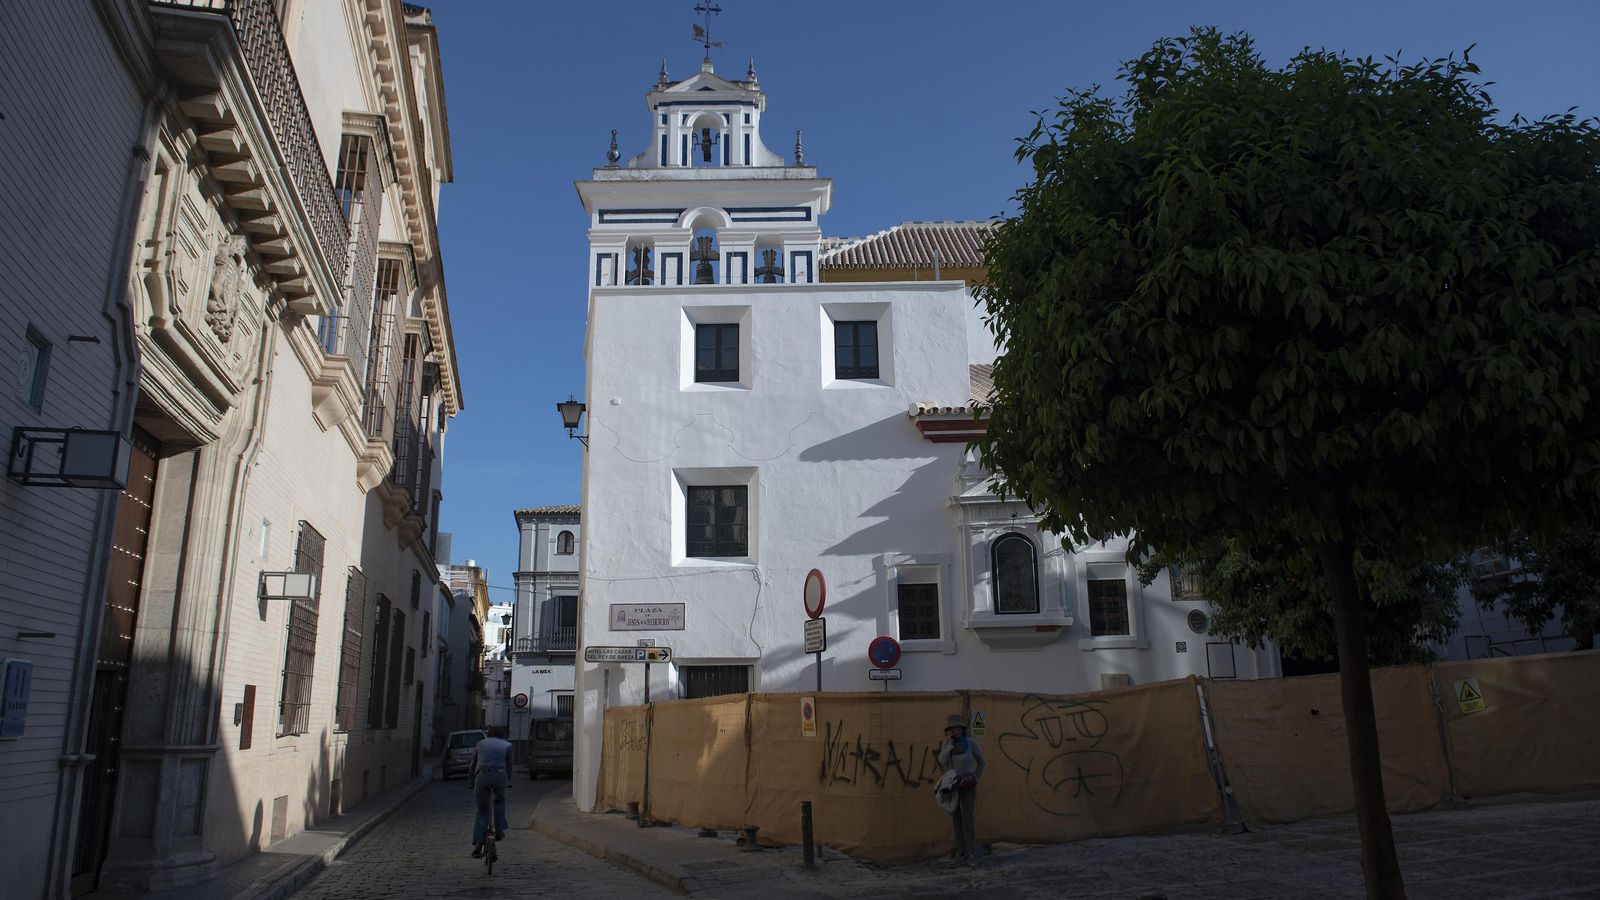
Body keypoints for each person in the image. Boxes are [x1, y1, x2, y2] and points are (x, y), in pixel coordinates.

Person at [937, 713, 984, 868]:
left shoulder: (971, 743)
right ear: (949, 731)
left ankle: (972, 855)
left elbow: (981, 762)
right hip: (953, 787)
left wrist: (975, 778)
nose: (955, 731)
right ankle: (960, 853)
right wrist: (949, 744)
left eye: (957, 728)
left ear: (962, 729)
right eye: (952, 728)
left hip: (968, 787)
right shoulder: (947, 745)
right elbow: (942, 760)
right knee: (956, 820)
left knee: (968, 820)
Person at [469, 725, 513, 857]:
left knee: (482, 810)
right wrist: (507, 781)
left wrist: (471, 782)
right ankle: (499, 830)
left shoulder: (480, 743)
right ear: (502, 734)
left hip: (482, 776)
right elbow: (509, 766)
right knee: (499, 801)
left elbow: (473, 764)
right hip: (500, 775)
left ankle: (478, 843)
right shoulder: (507, 745)